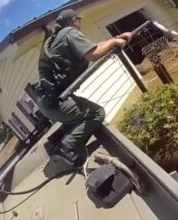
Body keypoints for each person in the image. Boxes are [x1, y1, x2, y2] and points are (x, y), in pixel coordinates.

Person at [35, 9, 132, 164]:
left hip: (46, 102)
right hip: (57, 102)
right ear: (74, 21)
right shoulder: (70, 33)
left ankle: (55, 140)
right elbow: (93, 54)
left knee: (78, 115)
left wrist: (114, 39)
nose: (80, 23)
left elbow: (92, 46)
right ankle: (68, 148)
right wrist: (114, 43)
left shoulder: (55, 38)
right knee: (97, 113)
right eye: (79, 20)